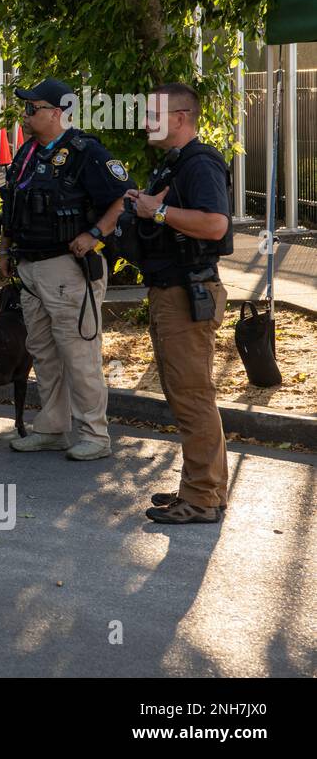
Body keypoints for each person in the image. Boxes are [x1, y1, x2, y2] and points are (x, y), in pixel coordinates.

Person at [0, 77, 128, 461]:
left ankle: (95, 434)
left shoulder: (86, 152)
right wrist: (5, 248)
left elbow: (124, 198)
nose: (24, 114)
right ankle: (53, 427)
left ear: (57, 113)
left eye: (32, 108)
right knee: (43, 351)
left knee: (78, 353)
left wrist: (94, 234)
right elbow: (12, 205)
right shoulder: (27, 154)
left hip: (67, 269)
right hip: (30, 268)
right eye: (25, 107)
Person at [129, 83, 232, 524]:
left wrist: (157, 212)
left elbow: (215, 224)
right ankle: (201, 487)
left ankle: (203, 498)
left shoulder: (200, 162)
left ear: (180, 117)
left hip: (188, 293)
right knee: (185, 393)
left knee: (192, 396)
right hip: (173, 291)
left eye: (154, 113)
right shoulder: (175, 164)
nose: (145, 121)